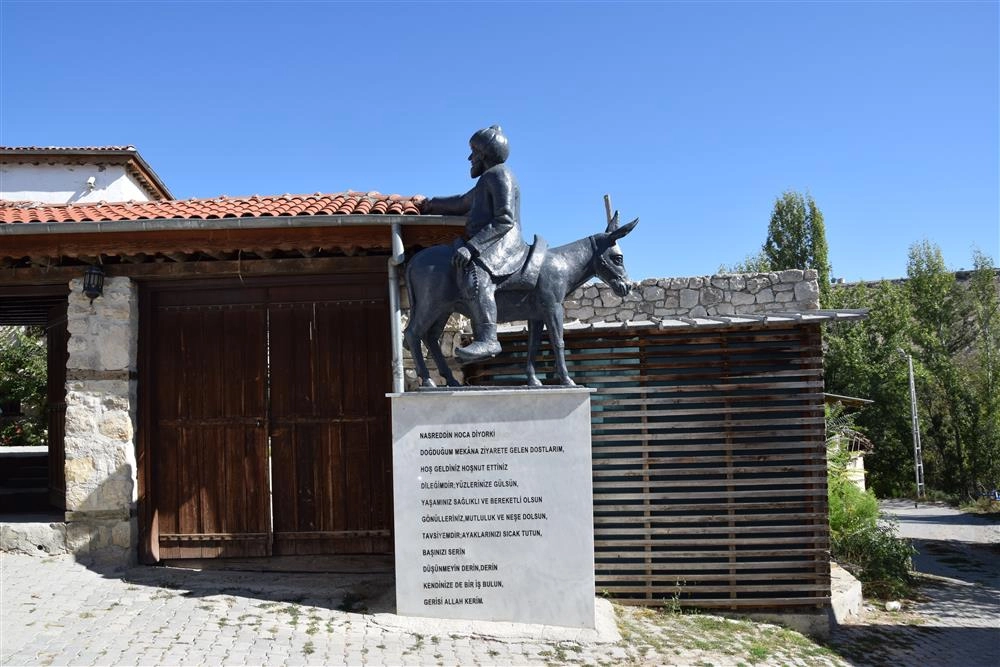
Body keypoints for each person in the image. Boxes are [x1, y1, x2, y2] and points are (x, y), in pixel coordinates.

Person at [420, 126, 528, 363]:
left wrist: (472, 247)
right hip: (489, 242)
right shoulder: (486, 179)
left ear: (486, 154)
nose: (470, 158)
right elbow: (462, 202)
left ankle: (489, 338)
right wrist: (430, 204)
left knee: (476, 274)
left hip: (502, 241)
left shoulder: (500, 174)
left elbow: (505, 219)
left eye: (474, 152)